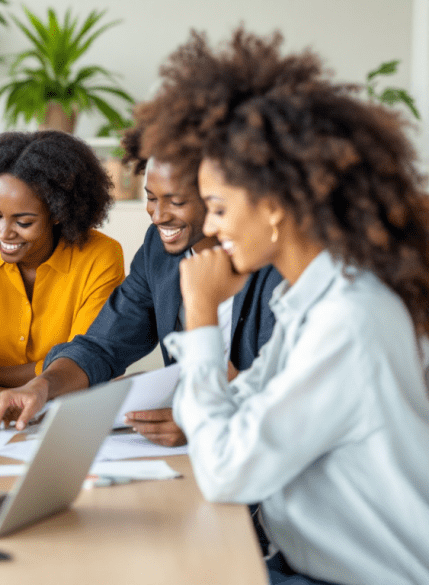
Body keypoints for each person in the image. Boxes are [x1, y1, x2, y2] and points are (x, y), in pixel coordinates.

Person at [145, 29, 429, 584]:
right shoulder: (308, 301)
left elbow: (226, 468)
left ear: (274, 206)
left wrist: (199, 313)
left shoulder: (349, 318)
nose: (208, 227)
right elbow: (225, 414)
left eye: (220, 208)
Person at [0, 129, 282, 446]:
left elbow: (285, 389)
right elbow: (103, 344)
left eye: (176, 201)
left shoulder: (274, 266)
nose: (158, 216)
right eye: (151, 198)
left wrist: (200, 418)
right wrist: (42, 386)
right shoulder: (159, 252)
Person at [0, 131, 125, 411]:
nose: (4, 232)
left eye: (23, 222)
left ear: (58, 214)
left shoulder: (100, 256)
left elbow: (81, 357)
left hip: (64, 403)